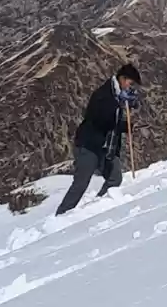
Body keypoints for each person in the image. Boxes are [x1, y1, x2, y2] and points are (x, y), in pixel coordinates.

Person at [56, 64, 142, 214]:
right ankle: (61, 216)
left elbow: (112, 123)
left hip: (105, 147)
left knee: (115, 177)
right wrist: (119, 104)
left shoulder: (117, 95)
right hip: (89, 145)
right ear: (122, 79)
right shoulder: (103, 94)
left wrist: (128, 125)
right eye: (131, 82)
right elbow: (100, 119)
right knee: (81, 184)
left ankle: (97, 208)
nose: (131, 87)